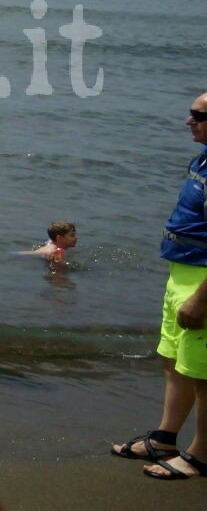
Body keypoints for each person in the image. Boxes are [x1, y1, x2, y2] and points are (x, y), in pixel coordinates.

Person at [111, 91, 207, 480]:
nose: (189, 121)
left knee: (202, 374)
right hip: (182, 272)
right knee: (174, 360)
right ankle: (166, 437)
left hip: (201, 281)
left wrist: (201, 300)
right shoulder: (202, 158)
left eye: (198, 115)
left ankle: (201, 455)